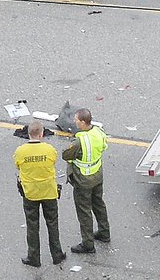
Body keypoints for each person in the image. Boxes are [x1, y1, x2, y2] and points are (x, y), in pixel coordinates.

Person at [13, 121, 66, 268]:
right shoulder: (49, 149)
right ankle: (57, 255)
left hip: (30, 193)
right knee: (53, 224)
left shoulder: (21, 151)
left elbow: (18, 165)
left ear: (28, 134)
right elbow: (53, 161)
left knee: (32, 225)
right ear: (42, 134)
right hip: (49, 191)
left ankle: (34, 257)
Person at [63, 108, 110, 254]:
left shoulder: (79, 140)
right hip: (97, 175)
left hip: (83, 179)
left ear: (83, 122)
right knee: (99, 204)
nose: (74, 122)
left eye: (76, 120)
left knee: (84, 211)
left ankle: (88, 244)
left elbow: (66, 155)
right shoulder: (99, 132)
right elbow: (104, 147)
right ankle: (104, 232)